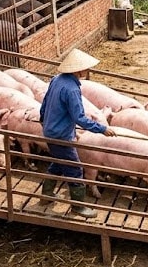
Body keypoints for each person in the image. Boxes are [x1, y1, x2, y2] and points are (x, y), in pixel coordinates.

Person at [38, 48, 116, 218]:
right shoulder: (72, 89)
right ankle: (78, 207)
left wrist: (43, 120)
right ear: (78, 70)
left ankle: (46, 194)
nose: (88, 71)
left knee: (58, 162)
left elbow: (44, 104)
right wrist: (102, 128)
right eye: (86, 68)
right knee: (75, 169)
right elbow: (79, 117)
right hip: (61, 135)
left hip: (50, 130)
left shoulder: (56, 79)